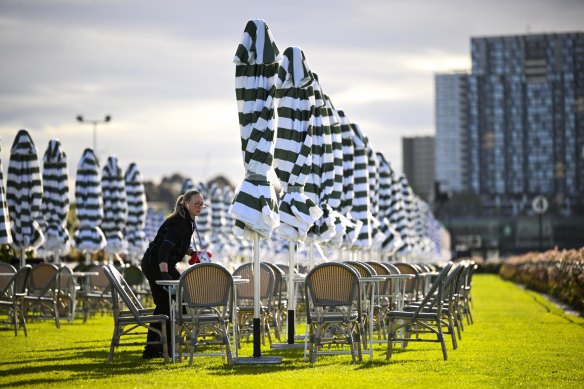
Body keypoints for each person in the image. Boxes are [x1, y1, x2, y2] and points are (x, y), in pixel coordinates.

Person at [140, 189, 206, 359]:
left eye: (202, 204)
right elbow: (163, 249)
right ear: (186, 203)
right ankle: (153, 349)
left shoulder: (188, 221)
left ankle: (167, 345)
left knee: (176, 300)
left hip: (165, 264)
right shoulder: (178, 223)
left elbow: (179, 245)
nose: (199, 206)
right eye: (196, 203)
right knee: (165, 303)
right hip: (155, 263)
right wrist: (164, 275)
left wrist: (192, 253)